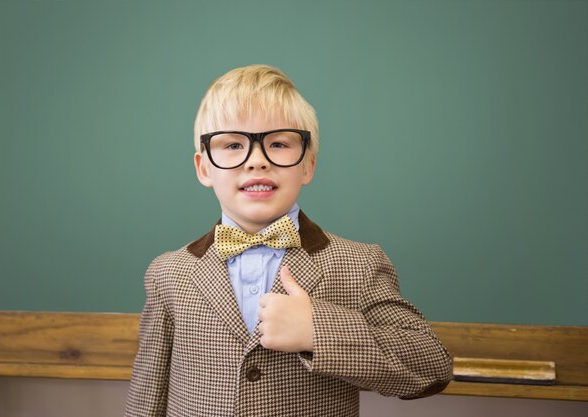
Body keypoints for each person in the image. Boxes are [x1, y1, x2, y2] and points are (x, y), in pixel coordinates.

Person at [124, 64, 452, 417]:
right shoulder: (168, 273)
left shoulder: (359, 263)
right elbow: (148, 397)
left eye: (278, 143)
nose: (256, 161)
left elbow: (431, 367)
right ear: (204, 168)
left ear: (308, 165)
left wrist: (317, 331)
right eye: (233, 144)